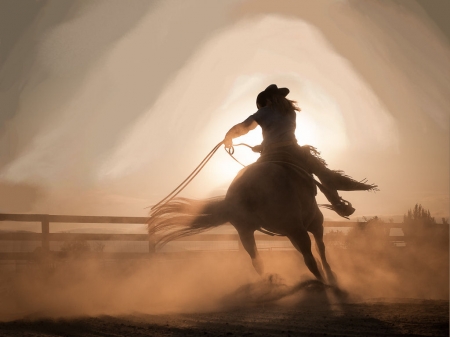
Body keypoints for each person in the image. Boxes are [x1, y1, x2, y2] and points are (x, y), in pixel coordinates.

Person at [223, 84, 377, 218]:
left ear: (268, 100)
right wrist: (262, 146)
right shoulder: (290, 112)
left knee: (250, 174)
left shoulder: (263, 112)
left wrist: (228, 137)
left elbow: (244, 128)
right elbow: (281, 134)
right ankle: (337, 203)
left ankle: (243, 205)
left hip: (270, 154)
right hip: (293, 151)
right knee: (323, 173)